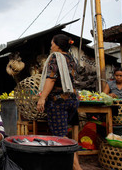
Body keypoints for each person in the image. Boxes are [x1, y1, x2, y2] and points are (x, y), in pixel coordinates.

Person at [36, 34, 82, 170]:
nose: (51, 47)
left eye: (52, 44)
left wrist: (42, 98)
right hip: (73, 100)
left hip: (58, 102)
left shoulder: (55, 57)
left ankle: (77, 168)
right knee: (61, 134)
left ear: (57, 45)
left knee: (61, 138)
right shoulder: (71, 58)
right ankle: (62, 164)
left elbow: (51, 79)